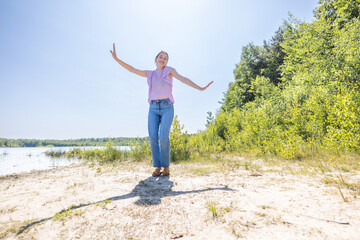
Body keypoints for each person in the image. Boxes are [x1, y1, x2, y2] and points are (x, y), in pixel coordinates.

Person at [110, 43, 213, 177]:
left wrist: (200, 88)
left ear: (167, 61)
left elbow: (183, 79)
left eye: (165, 58)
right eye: (160, 57)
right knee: (153, 137)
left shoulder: (169, 70)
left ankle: (166, 167)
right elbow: (131, 69)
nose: (162, 59)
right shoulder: (150, 74)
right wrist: (117, 59)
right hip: (153, 108)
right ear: (156, 59)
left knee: (163, 137)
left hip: (166, 107)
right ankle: (157, 167)